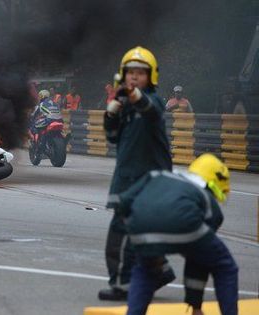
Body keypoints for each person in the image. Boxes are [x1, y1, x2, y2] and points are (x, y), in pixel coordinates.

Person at [118, 154, 238, 315]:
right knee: (225, 266)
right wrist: (195, 305)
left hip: (140, 226)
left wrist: (133, 229)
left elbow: (123, 202)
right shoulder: (206, 198)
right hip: (185, 224)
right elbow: (198, 261)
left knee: (146, 268)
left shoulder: (158, 175)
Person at [100, 46, 174, 300]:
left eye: (140, 73)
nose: (134, 77)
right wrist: (112, 109)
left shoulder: (154, 101)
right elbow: (112, 137)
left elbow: (149, 110)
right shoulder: (125, 107)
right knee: (139, 232)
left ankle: (122, 285)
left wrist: (130, 94)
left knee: (122, 233)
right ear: (122, 74)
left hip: (150, 180)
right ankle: (160, 270)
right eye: (130, 72)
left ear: (151, 76)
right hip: (127, 178)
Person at [30, 89, 63, 155]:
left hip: (49, 120)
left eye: (40, 96)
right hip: (60, 120)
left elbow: (34, 114)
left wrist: (32, 119)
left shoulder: (41, 104)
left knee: (34, 125)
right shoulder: (54, 102)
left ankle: (38, 142)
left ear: (42, 96)